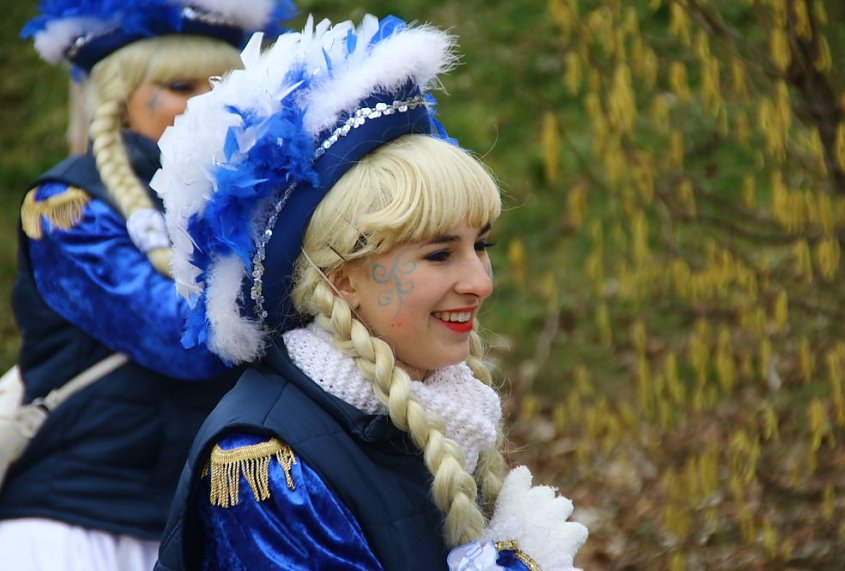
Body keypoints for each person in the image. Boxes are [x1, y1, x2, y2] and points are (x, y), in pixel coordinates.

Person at [153, 14, 589, 571]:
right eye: (438, 254)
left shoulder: (441, 407)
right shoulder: (263, 468)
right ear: (342, 279)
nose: (481, 282)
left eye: (482, 245)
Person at [0, 1, 294, 570]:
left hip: (192, 523)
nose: (208, 102)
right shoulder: (64, 208)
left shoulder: (254, 208)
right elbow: (182, 341)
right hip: (78, 520)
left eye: (224, 85)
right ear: (119, 102)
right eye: (180, 85)